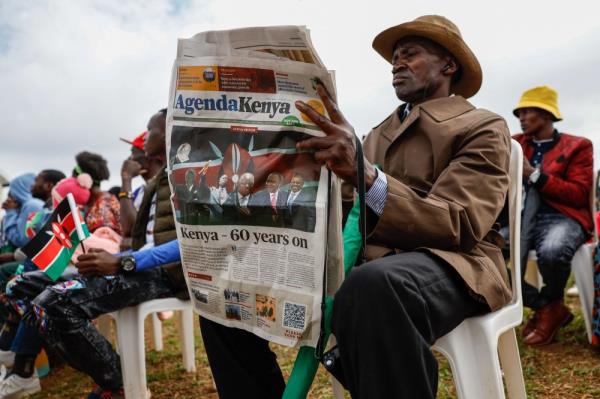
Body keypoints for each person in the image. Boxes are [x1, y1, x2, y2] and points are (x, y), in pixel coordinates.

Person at [199, 15, 511, 399]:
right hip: (370, 262)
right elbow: (346, 212)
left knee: (373, 286)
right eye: (394, 58)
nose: (396, 64)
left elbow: (459, 224)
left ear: (448, 66)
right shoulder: (374, 135)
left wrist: (365, 176)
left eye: (409, 54)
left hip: (456, 264)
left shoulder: (481, 125)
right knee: (225, 289)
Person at [21, 109, 189, 399]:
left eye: (151, 132)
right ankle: (106, 376)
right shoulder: (158, 180)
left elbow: (184, 243)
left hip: (164, 273)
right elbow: (130, 232)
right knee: (24, 287)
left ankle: (118, 383)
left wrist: (124, 261)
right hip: (139, 265)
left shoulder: (186, 176)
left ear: (170, 134)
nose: (144, 138)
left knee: (54, 302)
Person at [511, 85, 593, 346]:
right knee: (486, 254)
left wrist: (534, 175)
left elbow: (579, 194)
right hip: (519, 219)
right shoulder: (514, 144)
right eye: (519, 113)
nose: (522, 118)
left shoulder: (578, 146)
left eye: (528, 111)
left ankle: (548, 309)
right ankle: (549, 308)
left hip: (562, 217)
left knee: (553, 250)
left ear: (547, 115)